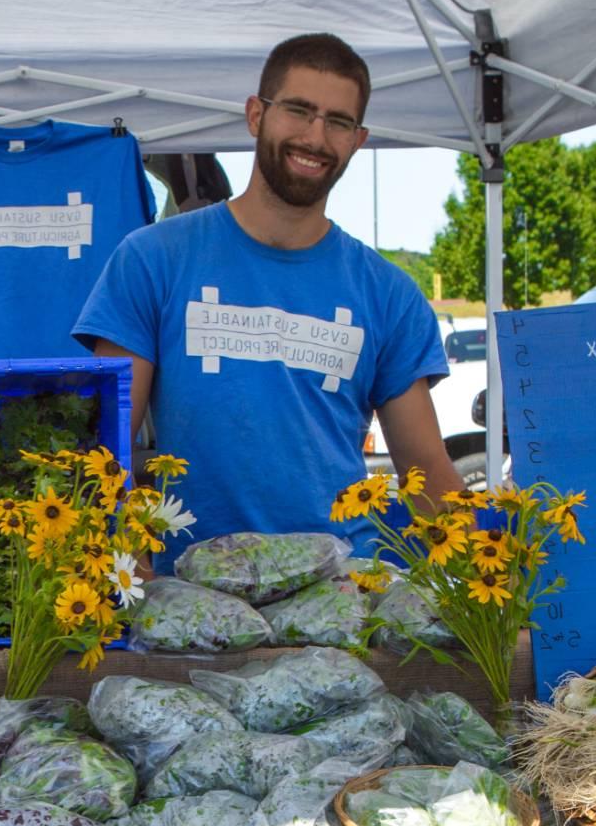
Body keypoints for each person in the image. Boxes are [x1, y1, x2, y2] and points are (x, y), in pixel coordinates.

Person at [73, 33, 463, 567]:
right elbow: (103, 447)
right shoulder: (154, 259)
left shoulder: (388, 292)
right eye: (299, 111)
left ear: (359, 139)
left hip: (340, 600)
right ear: (257, 114)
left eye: (338, 121)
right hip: (192, 600)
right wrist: (128, 572)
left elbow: (426, 470)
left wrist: (477, 584)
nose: (316, 136)